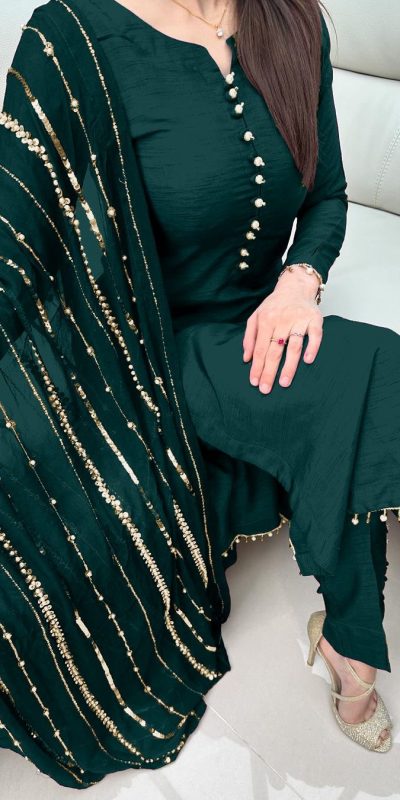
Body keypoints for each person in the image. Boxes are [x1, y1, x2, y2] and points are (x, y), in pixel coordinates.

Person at [0, 0, 399, 788]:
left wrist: (299, 281)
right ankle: (354, 649)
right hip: (142, 347)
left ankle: (348, 639)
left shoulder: (294, 21)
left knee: (373, 370)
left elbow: (327, 194)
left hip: (255, 328)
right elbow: (17, 242)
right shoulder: (74, 38)